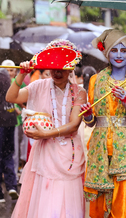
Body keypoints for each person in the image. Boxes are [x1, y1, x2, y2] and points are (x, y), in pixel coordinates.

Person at [7, 40, 87, 218]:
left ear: (71, 67)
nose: (57, 72)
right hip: (45, 154)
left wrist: (45, 134)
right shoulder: (38, 86)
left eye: (62, 68)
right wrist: (21, 75)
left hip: (70, 156)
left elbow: (74, 124)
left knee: (67, 203)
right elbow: (11, 97)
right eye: (54, 67)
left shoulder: (80, 92)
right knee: (44, 201)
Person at [80, 29, 126, 218]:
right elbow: (92, 122)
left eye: (124, 50)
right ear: (107, 53)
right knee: (99, 208)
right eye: (114, 50)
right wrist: (87, 115)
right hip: (100, 149)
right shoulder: (96, 80)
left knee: (125, 208)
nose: (119, 55)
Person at [0, 69, 19, 202]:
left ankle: (0, 193)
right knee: (8, 154)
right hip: (10, 122)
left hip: (0, 122)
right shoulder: (9, 81)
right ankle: (12, 186)